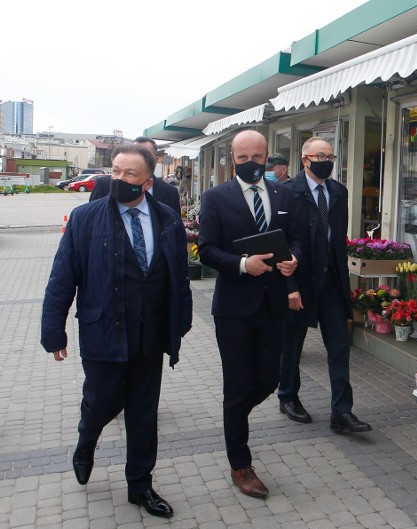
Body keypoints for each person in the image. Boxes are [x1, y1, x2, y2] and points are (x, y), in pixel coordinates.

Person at [41, 144, 193, 519]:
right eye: (115, 171)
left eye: (129, 174)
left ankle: (140, 485)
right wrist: (53, 330)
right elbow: (63, 277)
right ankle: (86, 438)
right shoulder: (85, 218)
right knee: (101, 401)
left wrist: (181, 322)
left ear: (147, 180)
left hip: (150, 335)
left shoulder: (167, 219)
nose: (119, 179)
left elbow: (179, 279)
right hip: (103, 331)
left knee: (143, 412)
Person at [198, 130, 300, 499]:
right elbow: (205, 250)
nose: (252, 164)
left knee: (269, 381)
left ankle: (235, 415)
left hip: (273, 306)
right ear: (232, 158)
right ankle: (240, 464)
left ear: (267, 156)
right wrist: (242, 264)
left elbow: (297, 237)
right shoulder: (215, 198)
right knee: (237, 387)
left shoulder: (284, 194)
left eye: (258, 157)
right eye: (244, 158)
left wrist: (294, 261)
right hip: (234, 311)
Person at [278, 137, 372, 435]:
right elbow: (280, 243)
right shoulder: (286, 192)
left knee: (339, 347)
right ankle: (288, 396)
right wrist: (290, 286)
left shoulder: (338, 192)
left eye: (330, 155)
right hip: (301, 281)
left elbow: (337, 241)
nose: (327, 161)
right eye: (321, 155)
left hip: (331, 281)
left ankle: (342, 412)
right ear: (305, 159)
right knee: (292, 345)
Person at [90, 136, 181, 215]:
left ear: (156, 160)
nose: (138, 157)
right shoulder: (103, 185)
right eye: (134, 152)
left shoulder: (170, 192)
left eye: (145, 154)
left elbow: (173, 226)